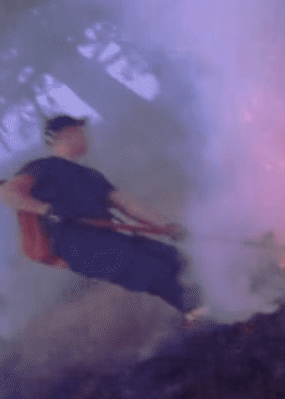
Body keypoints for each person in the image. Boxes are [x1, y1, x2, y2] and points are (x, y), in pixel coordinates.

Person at [0, 115, 199, 316]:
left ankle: (204, 309)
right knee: (155, 271)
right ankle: (202, 312)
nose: (86, 138)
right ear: (68, 134)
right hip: (85, 250)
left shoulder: (90, 175)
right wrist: (47, 210)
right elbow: (7, 193)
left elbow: (127, 204)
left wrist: (166, 226)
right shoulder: (42, 167)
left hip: (111, 239)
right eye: (81, 132)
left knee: (176, 260)